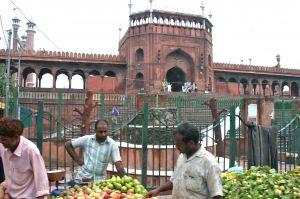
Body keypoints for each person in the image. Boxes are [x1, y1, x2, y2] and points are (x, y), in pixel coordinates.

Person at [147, 122, 223, 199]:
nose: (177, 147)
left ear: (191, 143)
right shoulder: (182, 157)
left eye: (179, 145)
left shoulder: (209, 163)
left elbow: (217, 195)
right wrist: (158, 190)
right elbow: (174, 181)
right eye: (175, 144)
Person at [0, 117, 49, 199]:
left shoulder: (31, 150)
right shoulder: (5, 149)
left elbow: (41, 181)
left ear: (16, 137)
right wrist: (4, 186)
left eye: (4, 139)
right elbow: (11, 176)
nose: (1, 142)